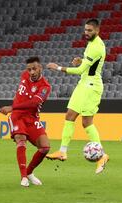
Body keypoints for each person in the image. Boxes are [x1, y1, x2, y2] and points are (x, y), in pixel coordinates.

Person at [45, 18, 109, 174]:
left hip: (90, 86)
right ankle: (67, 152)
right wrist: (82, 61)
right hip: (86, 84)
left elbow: (80, 71)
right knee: (78, 119)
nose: (86, 33)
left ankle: (95, 155)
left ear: (97, 31)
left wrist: (58, 68)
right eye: (85, 30)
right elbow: (90, 65)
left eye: (90, 30)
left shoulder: (96, 47)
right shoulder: (93, 44)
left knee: (78, 119)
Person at [0, 56, 51, 187]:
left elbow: (34, 103)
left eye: (34, 69)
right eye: (29, 70)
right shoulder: (24, 76)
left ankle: (29, 172)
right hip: (17, 116)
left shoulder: (45, 87)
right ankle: (23, 177)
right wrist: (14, 108)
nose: (31, 72)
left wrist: (12, 107)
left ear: (40, 68)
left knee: (45, 147)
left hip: (32, 118)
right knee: (21, 140)